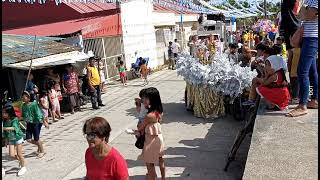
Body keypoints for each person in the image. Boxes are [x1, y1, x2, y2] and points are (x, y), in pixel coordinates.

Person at [287, 0, 318, 117]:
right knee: (311, 71)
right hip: (309, 38)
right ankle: (315, 99)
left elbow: (309, 15)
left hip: (312, 38)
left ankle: (302, 105)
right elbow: (301, 15)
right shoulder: (309, 0)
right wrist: (304, 12)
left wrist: (303, 12)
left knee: (302, 71)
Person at [135, 87, 165, 180]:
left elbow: (140, 128)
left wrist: (136, 131)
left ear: (152, 99)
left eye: (145, 98)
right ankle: (163, 178)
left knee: (149, 163)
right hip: (158, 139)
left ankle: (152, 177)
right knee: (160, 159)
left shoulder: (149, 116)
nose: (143, 100)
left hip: (150, 141)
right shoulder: (158, 111)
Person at [2, 104, 27, 176]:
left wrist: (4, 129)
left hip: (18, 138)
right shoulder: (5, 121)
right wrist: (6, 140)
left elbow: (14, 128)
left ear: (9, 113)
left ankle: (23, 167)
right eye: (3, 112)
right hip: (11, 139)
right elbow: (6, 133)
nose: (3, 114)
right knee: (11, 155)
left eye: (5, 113)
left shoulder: (14, 119)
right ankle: (21, 161)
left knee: (19, 154)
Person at [21, 91, 45, 158]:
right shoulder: (23, 106)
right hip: (29, 124)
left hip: (36, 123)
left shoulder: (34, 105)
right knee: (28, 139)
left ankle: (42, 151)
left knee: (36, 139)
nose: (22, 99)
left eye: (24, 97)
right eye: (22, 97)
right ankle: (40, 144)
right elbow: (23, 115)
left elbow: (38, 113)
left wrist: (44, 121)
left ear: (28, 98)